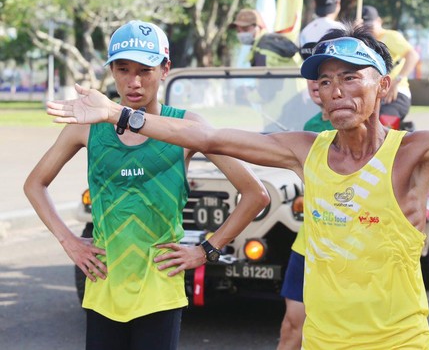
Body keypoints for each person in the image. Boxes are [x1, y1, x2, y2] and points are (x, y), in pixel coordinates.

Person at [45, 23, 429, 349]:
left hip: (395, 342)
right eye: (323, 82)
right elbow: (219, 138)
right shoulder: (307, 151)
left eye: (351, 78)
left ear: (383, 87)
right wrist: (117, 115)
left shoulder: (413, 155)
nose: (335, 92)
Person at [24, 20, 269, 350]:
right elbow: (35, 184)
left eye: (145, 70)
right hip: (103, 288)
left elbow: (255, 193)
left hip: (159, 293)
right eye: (123, 69)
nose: (133, 82)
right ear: (111, 70)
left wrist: (208, 249)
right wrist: (68, 240)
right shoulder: (87, 129)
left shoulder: (186, 127)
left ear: (165, 69)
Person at [276, 78, 333, 350]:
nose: (316, 85)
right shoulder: (311, 128)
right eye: (316, 79)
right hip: (308, 243)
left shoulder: (365, 130)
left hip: (348, 248)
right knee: (292, 326)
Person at [362, 5, 420, 124]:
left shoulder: (391, 36)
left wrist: (396, 82)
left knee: (386, 124)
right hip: (374, 97)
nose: (367, 29)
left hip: (395, 95)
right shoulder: (362, 42)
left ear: (379, 21)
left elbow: (413, 56)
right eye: (363, 26)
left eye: (370, 26)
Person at [231, 8, 299, 67]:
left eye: (245, 29)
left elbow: (265, 79)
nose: (241, 33)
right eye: (238, 31)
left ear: (258, 26)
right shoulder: (268, 42)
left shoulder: (263, 48)